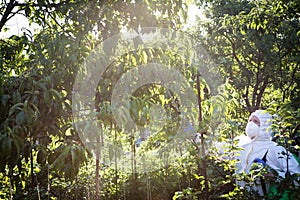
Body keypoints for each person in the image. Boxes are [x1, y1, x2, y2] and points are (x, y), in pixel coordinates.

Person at [236, 109, 300, 196]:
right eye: (250, 120)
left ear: (265, 125)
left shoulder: (274, 149)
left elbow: (296, 176)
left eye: (255, 121)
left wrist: (275, 176)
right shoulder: (242, 145)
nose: (251, 124)